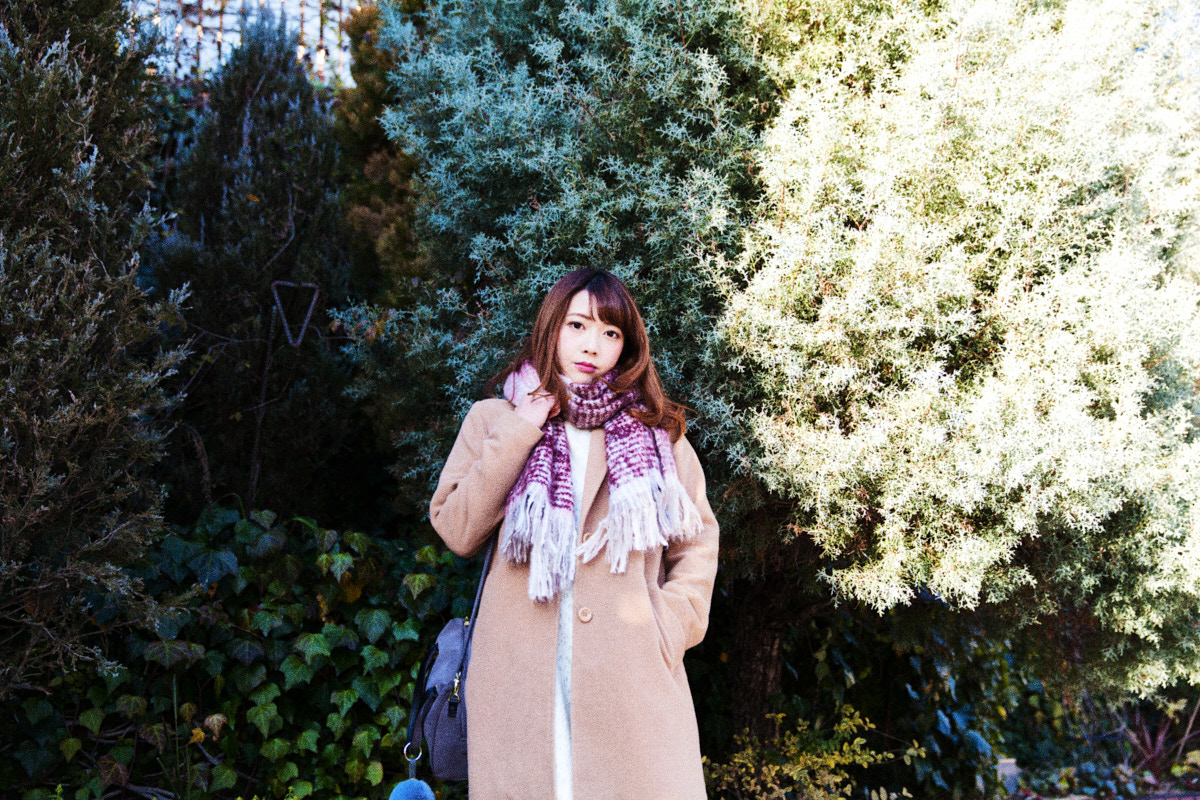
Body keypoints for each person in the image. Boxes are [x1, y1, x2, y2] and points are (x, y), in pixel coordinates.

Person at [429, 269, 720, 800]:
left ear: (627, 345)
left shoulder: (658, 434)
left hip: (629, 685)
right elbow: (457, 529)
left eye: (611, 332)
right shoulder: (494, 419)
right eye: (578, 325)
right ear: (551, 328)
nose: (592, 345)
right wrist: (522, 427)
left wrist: (669, 626)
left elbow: (697, 541)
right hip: (517, 686)